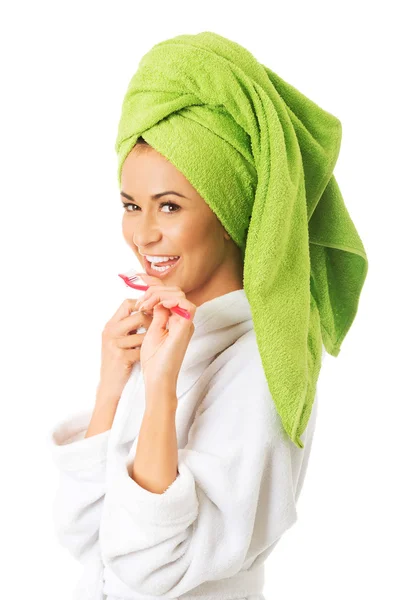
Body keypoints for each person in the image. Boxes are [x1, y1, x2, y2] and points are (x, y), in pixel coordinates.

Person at [48, 31, 367, 600]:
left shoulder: (267, 365)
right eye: (130, 205)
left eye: (169, 206)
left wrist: (162, 389)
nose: (142, 235)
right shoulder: (174, 335)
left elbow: (148, 574)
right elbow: (81, 536)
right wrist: (112, 384)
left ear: (227, 210)